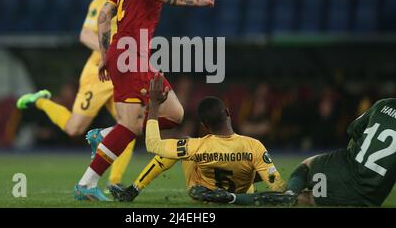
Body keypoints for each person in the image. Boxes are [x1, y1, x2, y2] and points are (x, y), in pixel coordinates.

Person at [74, 0, 217, 201]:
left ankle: (105, 134)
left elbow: (105, 16)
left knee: (174, 113)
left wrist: (106, 55)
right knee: (131, 126)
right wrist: (196, 0)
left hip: (130, 55)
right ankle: (86, 184)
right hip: (130, 56)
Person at [16, 0, 135, 189]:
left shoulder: (134, 1)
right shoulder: (102, 2)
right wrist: (109, 53)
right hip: (99, 74)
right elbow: (85, 35)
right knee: (74, 128)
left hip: (125, 72)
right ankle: (41, 102)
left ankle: (115, 183)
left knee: (129, 125)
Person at [109, 73, 286, 203]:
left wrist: (154, 105)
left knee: (181, 145)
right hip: (241, 197)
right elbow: (278, 187)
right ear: (227, 113)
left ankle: (133, 190)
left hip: (203, 198)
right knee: (251, 169)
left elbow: (153, 144)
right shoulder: (254, 146)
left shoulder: (196, 146)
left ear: (204, 124)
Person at [189, 98, 396, 207]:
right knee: (306, 200)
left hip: (347, 168)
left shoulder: (383, 105)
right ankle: (234, 197)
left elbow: (353, 130)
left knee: (308, 166)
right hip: (370, 195)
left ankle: (237, 195)